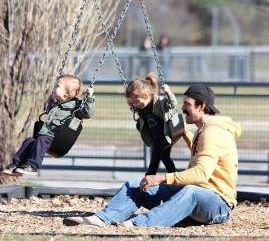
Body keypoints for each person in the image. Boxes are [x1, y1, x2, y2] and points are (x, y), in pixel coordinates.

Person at [63, 84, 241, 228]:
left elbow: (201, 174)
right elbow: (199, 151)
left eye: (187, 104)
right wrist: (184, 133)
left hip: (218, 204)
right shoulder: (203, 130)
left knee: (190, 191)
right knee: (135, 185)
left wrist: (161, 178)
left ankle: (137, 223)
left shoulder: (213, 133)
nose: (183, 108)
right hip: (196, 195)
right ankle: (102, 219)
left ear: (201, 106)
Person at [1, 74, 95, 176]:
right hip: (44, 135)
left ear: (67, 93)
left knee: (41, 140)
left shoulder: (76, 105)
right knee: (29, 141)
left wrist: (89, 97)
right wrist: (50, 103)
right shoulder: (56, 104)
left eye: (57, 86)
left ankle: (32, 166)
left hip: (57, 139)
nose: (53, 88)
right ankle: (16, 165)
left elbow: (88, 113)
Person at [126, 72, 178, 175]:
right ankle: (149, 176)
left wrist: (168, 93)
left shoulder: (160, 102)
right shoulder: (141, 108)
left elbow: (173, 104)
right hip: (156, 137)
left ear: (146, 95)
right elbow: (138, 114)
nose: (136, 105)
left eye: (137, 101)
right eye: (133, 103)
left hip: (166, 134)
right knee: (154, 158)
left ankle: (174, 175)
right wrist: (131, 103)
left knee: (164, 156)